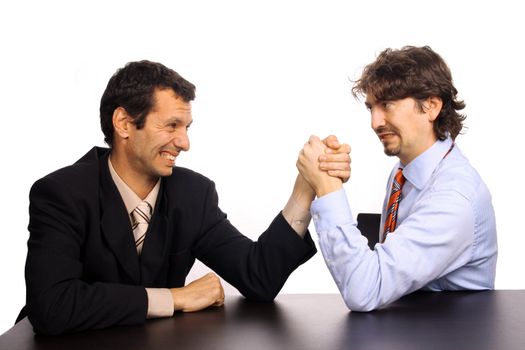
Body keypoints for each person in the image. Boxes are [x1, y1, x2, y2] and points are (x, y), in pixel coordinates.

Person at [19, 60, 351, 335]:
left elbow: (258, 277)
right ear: (123, 123)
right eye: (172, 125)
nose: (184, 143)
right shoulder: (61, 193)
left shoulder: (192, 194)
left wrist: (306, 187)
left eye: (187, 127)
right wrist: (174, 298)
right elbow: (52, 306)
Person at [296, 46, 497, 311]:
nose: (375, 122)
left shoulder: (453, 199)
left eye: (387, 104)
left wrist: (328, 187)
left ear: (431, 106)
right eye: (371, 108)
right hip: (409, 327)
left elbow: (366, 290)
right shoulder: (404, 172)